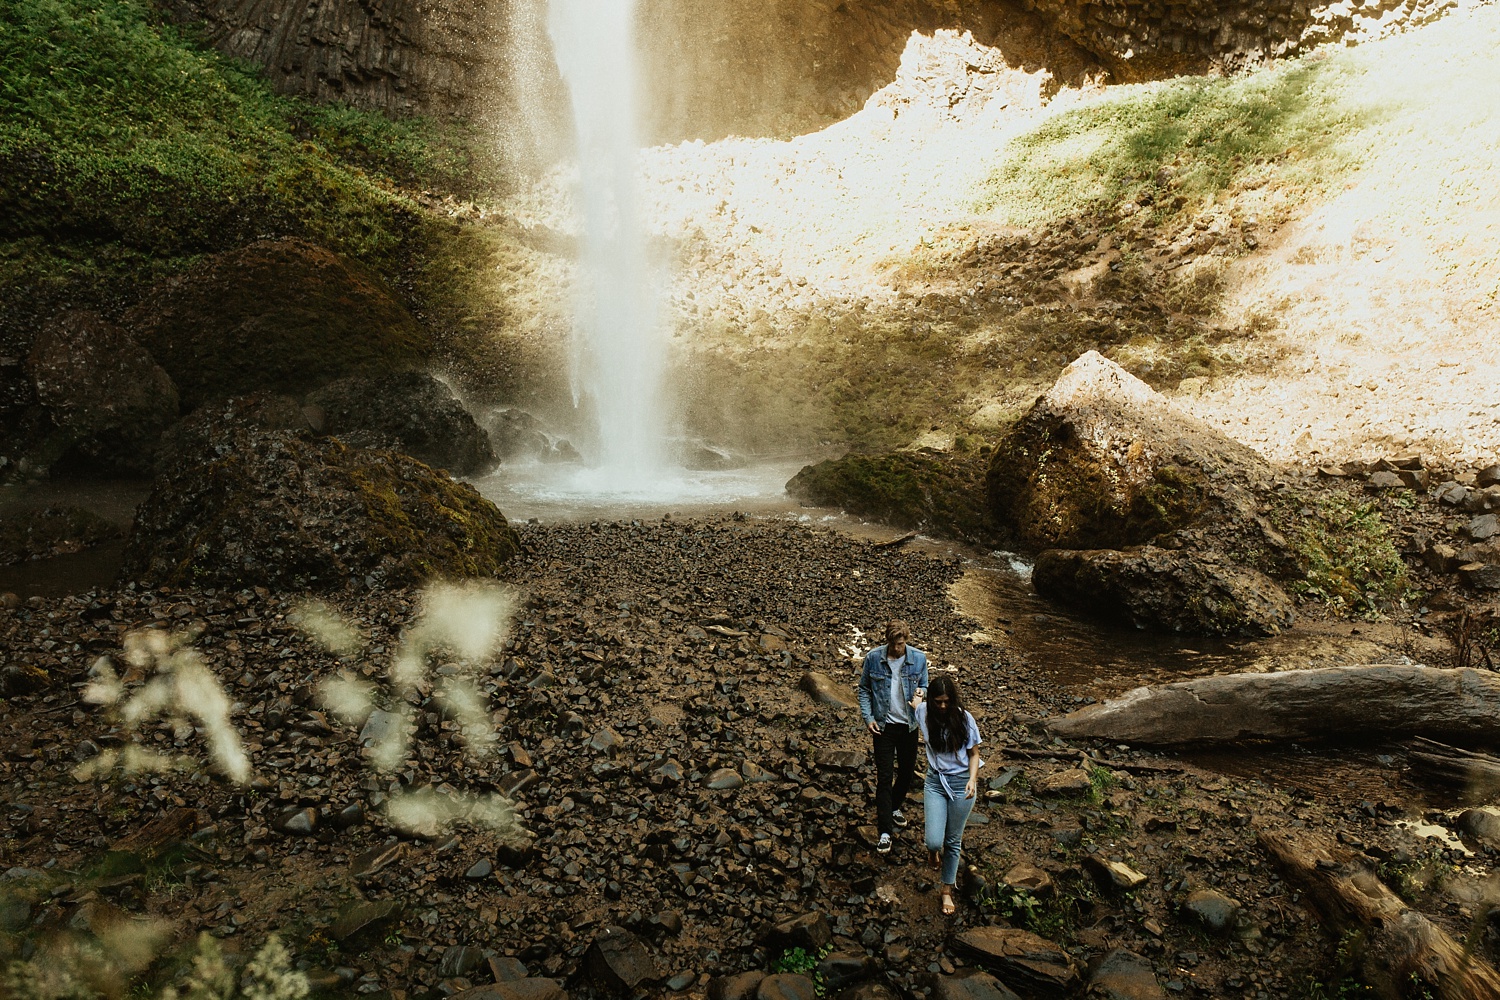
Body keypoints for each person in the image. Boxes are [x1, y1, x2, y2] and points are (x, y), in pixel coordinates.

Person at [856, 620, 928, 855]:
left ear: (906, 640)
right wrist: (868, 718)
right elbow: (864, 688)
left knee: (907, 773)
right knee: (885, 777)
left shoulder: (918, 658)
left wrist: (921, 694)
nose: (898, 648)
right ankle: (885, 831)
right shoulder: (874, 658)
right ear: (887, 641)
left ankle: (893, 806)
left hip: (908, 726)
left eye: (902, 643)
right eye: (894, 644)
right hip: (883, 728)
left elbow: (925, 684)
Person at [915, 673, 983, 916]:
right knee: (933, 840)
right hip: (935, 781)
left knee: (953, 840)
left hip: (961, 783)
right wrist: (917, 697)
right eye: (938, 702)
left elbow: (974, 754)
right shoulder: (923, 712)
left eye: (946, 701)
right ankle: (933, 852)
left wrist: (973, 780)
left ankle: (946, 890)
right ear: (931, 701)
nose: (942, 706)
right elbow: (915, 704)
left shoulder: (964, 720)